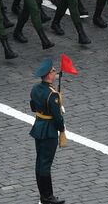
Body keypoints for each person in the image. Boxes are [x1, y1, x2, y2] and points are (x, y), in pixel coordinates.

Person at [30, 58, 67, 204]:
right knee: (45, 164)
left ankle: (43, 195)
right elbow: (57, 118)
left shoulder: (35, 89)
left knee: (40, 162)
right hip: (49, 130)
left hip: (38, 126)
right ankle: (48, 197)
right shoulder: (52, 94)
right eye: (53, 71)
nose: (54, 72)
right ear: (48, 75)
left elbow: (33, 106)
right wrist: (62, 129)